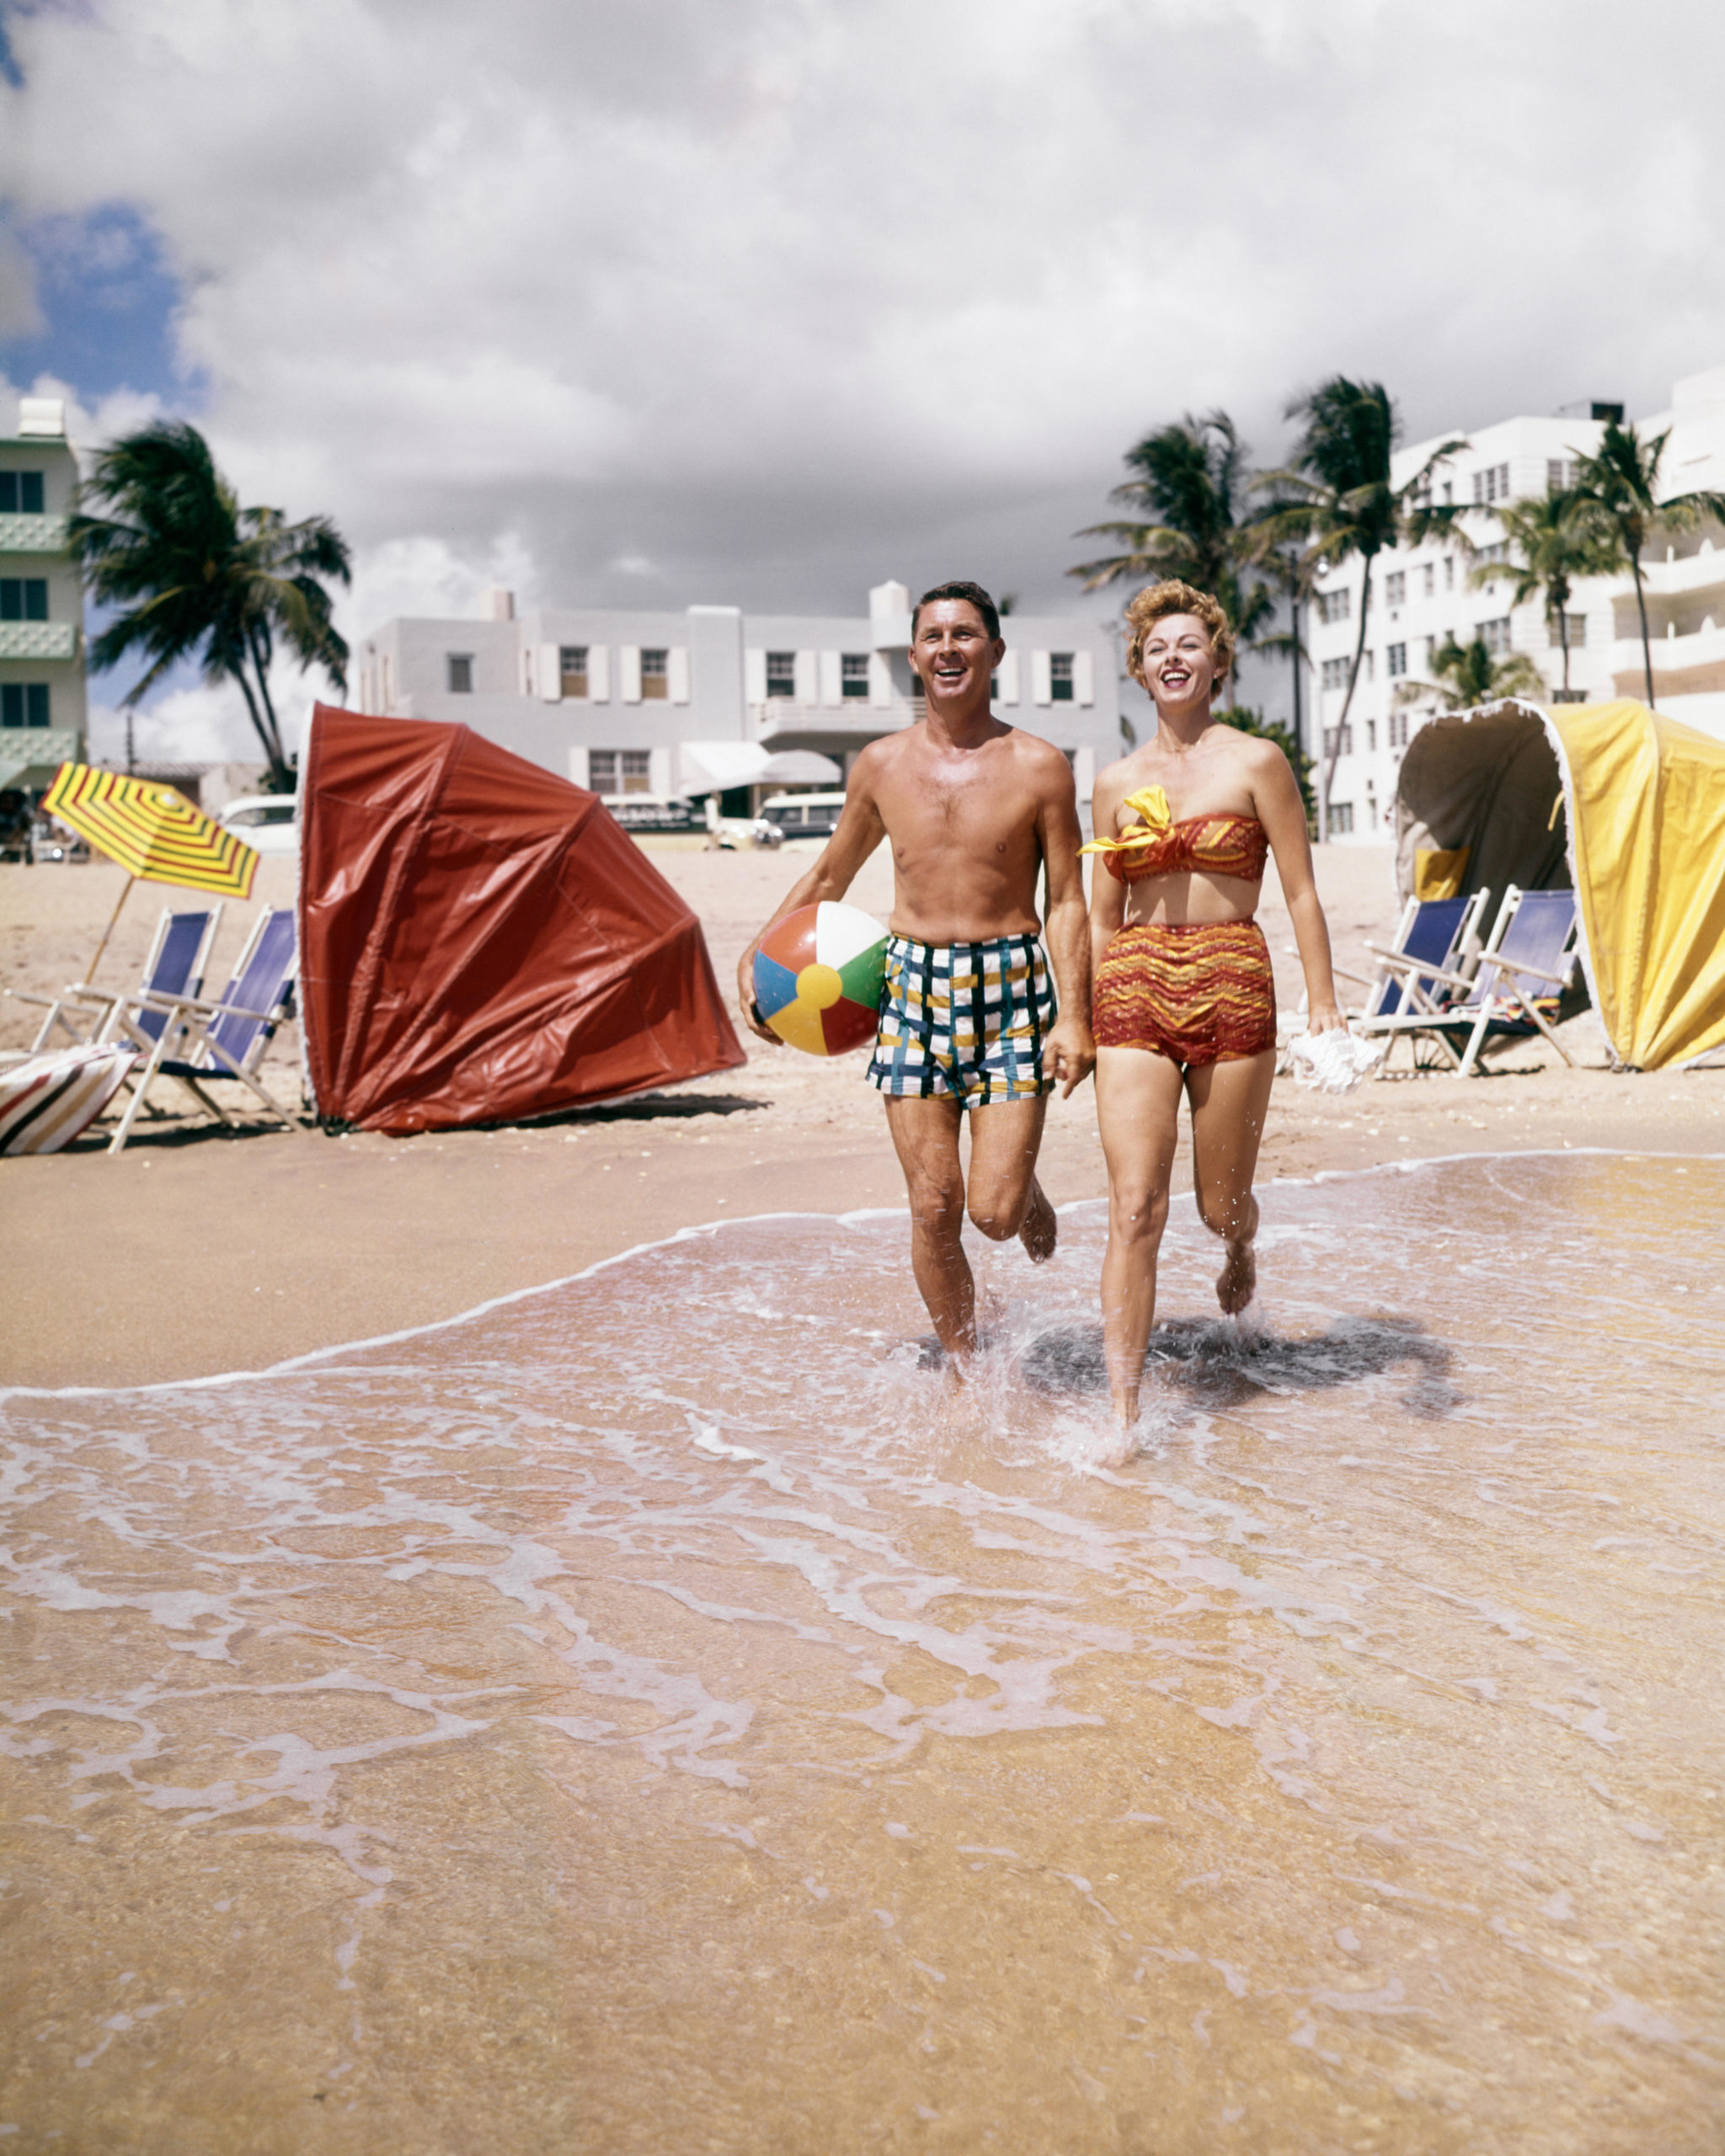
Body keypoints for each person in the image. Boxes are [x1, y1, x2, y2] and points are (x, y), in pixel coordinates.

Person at [737, 580, 1094, 1362]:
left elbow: (1068, 900)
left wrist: (1076, 1017)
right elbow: (830, 875)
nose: (948, 649)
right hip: (910, 988)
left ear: (995, 652)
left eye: (965, 635)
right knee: (934, 1205)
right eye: (934, 637)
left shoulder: (1041, 767)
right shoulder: (880, 765)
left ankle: (1021, 1187)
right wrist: (761, 953)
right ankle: (965, 1373)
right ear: (913, 656)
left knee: (993, 1214)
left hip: (1011, 990)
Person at [1087, 579, 1343, 1428]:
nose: (1172, 658)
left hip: (1233, 975)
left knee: (1216, 1204)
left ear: (1217, 662)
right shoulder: (1114, 780)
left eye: (1188, 645)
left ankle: (1239, 1243)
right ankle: (1122, 1416)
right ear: (1138, 669)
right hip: (1133, 982)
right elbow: (1100, 914)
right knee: (1134, 1206)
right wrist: (1086, 1017)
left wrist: (1323, 1003)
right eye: (1156, 648)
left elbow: (1300, 891)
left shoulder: (1256, 761)